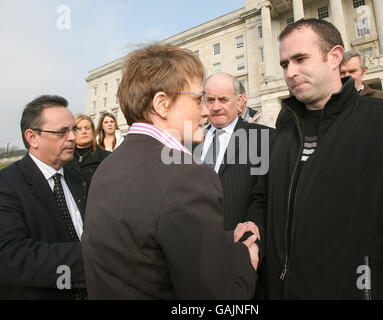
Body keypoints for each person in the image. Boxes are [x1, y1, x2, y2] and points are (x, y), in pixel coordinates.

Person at [248, 18, 383, 299]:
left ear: (334, 57)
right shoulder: (282, 132)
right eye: (285, 64)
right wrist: (253, 226)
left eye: (300, 59)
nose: (290, 72)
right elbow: (264, 199)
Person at [82, 44, 260, 299]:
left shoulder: (107, 165)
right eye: (198, 99)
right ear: (162, 104)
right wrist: (244, 260)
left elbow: (146, 243)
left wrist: (223, 237)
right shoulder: (189, 175)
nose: (206, 110)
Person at [0, 95, 87, 299]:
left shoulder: (75, 178)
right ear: (32, 137)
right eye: (62, 132)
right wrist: (95, 256)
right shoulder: (7, 184)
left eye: (73, 129)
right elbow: (11, 256)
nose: (73, 137)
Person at [200, 72, 272, 232]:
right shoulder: (190, 141)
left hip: (239, 246)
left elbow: (263, 200)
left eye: (223, 99)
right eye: (210, 100)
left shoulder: (263, 138)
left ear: (239, 101)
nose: (216, 107)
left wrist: (250, 245)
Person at [65, 114, 110, 198]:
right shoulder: (64, 158)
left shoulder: (107, 157)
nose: (84, 132)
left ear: (93, 131)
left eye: (87, 128)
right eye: (78, 129)